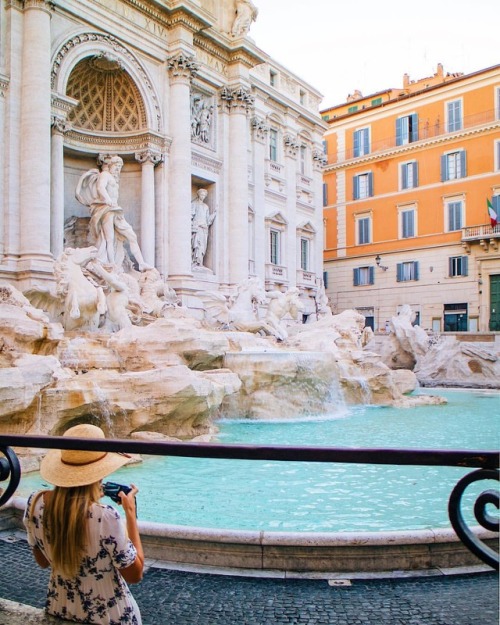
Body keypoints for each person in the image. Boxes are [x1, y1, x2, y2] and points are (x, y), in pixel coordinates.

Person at [23, 423, 144, 624]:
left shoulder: (34, 503)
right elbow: (135, 574)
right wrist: (130, 513)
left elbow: (43, 561)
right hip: (109, 617)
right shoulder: (105, 516)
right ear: (100, 471)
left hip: (60, 609)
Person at [76, 155, 152, 272]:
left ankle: (141, 263)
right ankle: (112, 265)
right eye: (116, 166)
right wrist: (107, 199)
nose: (118, 169)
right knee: (109, 239)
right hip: (107, 209)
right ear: (110, 166)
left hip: (115, 210)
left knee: (132, 235)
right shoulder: (105, 175)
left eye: (120, 167)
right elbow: (100, 187)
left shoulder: (113, 178)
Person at [191, 189, 216, 267]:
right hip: (197, 228)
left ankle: (200, 262)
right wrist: (196, 224)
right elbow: (190, 216)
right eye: (202, 195)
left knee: (202, 246)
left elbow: (208, 220)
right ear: (198, 195)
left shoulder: (206, 207)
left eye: (204, 195)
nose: (203, 197)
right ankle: (195, 261)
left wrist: (215, 213)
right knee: (196, 244)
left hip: (204, 229)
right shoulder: (194, 204)